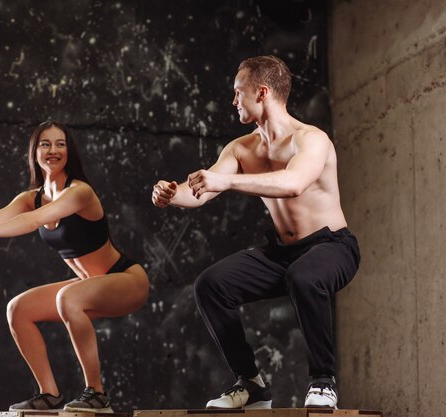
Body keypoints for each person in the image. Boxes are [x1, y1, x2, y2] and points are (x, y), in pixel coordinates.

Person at [151, 56, 360, 410]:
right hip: (283, 253)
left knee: (305, 275)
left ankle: (323, 381)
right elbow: (202, 190)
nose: (233, 101)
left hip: (332, 247)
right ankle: (251, 384)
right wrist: (173, 195)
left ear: (262, 93)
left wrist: (227, 180)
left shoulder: (311, 140)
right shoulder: (241, 148)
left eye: (238, 93)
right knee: (210, 285)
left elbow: (293, 184)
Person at [0, 120, 149, 413]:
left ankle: (97, 394)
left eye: (61, 144)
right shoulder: (31, 197)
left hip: (125, 280)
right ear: (34, 152)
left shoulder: (79, 192)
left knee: (67, 298)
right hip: (87, 287)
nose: (53, 150)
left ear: (69, 151)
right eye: (46, 144)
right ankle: (49, 394)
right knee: (18, 309)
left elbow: (32, 221)